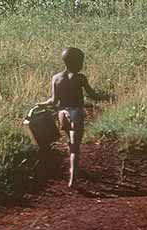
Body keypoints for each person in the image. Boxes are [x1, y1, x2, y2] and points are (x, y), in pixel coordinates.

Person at [36, 47, 106, 188]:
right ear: (78, 62)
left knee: (70, 143)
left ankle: (75, 170)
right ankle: (73, 178)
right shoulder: (80, 78)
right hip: (76, 113)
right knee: (75, 148)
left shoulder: (56, 78)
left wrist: (40, 104)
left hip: (62, 114)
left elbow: (53, 101)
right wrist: (105, 96)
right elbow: (92, 95)